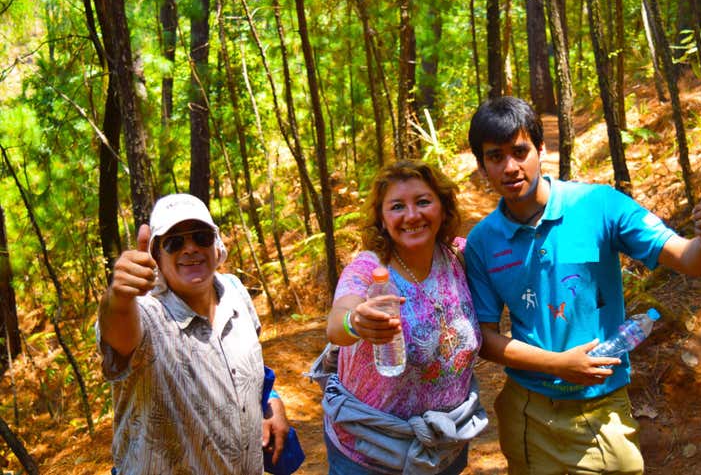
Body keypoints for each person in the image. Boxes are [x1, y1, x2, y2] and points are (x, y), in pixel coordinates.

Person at [464, 96, 701, 474]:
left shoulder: (598, 205)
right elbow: (485, 339)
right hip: (527, 410)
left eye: (520, 151)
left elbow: (691, 260)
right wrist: (558, 364)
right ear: (481, 166)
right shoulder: (482, 241)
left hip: (601, 408)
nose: (510, 167)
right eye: (495, 156)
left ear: (541, 149)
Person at [97, 193, 290, 474]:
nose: (190, 248)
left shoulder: (235, 291)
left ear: (217, 244)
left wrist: (271, 402)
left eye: (200, 237)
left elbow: (244, 369)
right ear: (157, 257)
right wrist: (118, 297)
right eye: (174, 242)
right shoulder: (145, 313)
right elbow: (120, 336)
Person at [319, 160, 487, 475]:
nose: (412, 215)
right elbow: (336, 324)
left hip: (445, 444)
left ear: (442, 208)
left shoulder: (459, 256)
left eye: (423, 202)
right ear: (382, 219)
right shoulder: (370, 269)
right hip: (370, 454)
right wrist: (355, 322)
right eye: (397, 206)